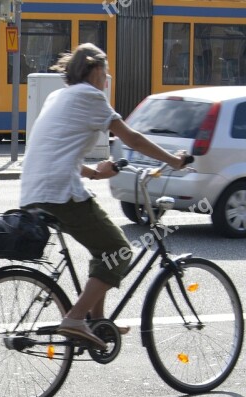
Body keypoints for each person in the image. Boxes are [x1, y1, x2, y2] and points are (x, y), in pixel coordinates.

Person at [19, 43, 186, 349]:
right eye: (106, 71)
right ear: (95, 70)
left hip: (35, 189)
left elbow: (57, 152)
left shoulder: (59, 95)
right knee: (120, 250)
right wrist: (173, 160)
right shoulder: (90, 95)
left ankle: (96, 322)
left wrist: (95, 173)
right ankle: (76, 317)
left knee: (103, 251)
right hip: (60, 192)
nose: (107, 78)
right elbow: (131, 137)